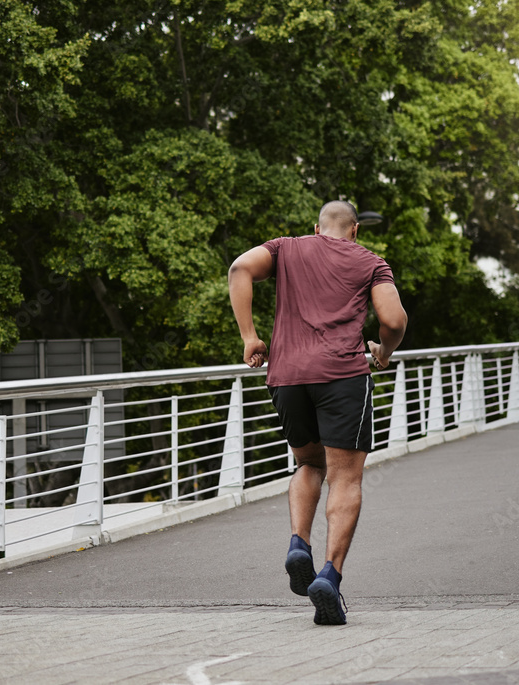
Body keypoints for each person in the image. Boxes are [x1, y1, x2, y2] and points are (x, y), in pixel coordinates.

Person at [228, 200, 407, 625]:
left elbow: (239, 268)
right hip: (342, 377)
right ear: (355, 230)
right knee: (345, 477)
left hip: (287, 377)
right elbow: (394, 320)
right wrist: (383, 349)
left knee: (308, 463)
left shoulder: (286, 248)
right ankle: (329, 575)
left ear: (316, 227)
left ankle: (298, 544)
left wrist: (250, 337)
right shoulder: (371, 263)